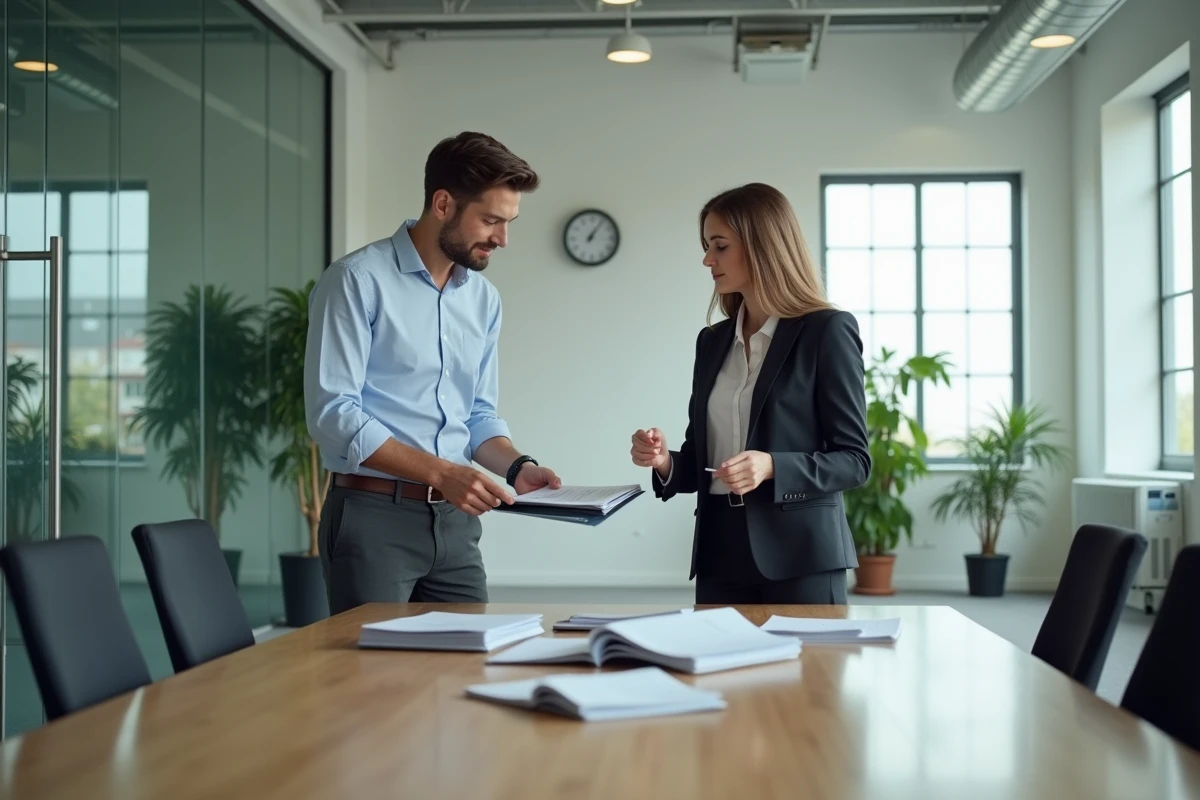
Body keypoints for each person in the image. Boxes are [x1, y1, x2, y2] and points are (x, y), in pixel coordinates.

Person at [305, 131, 561, 613]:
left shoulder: (483, 299)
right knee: (378, 684)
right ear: (443, 203)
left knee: (466, 673)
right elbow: (333, 414)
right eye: (490, 220)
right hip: (371, 518)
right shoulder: (357, 280)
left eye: (509, 223)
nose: (503, 239)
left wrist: (517, 467)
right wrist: (444, 472)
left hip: (455, 525)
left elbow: (478, 414)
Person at [630, 183, 870, 604]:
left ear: (763, 246)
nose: (707, 259)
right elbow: (703, 460)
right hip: (718, 551)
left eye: (719, 246)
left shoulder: (826, 331)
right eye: (707, 246)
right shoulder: (712, 342)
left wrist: (772, 466)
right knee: (715, 671)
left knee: (807, 672)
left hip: (801, 556)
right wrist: (665, 460)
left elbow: (854, 461)